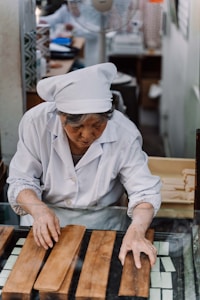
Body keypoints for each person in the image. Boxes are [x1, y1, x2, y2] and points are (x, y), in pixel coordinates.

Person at [7, 63, 161, 268]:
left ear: (109, 116)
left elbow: (144, 192)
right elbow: (21, 180)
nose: (87, 136)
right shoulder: (36, 123)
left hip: (101, 228)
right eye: (77, 127)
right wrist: (39, 212)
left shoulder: (125, 133)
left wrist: (136, 231)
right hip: (44, 227)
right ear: (61, 116)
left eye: (97, 126)